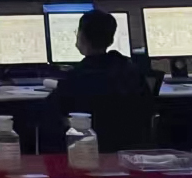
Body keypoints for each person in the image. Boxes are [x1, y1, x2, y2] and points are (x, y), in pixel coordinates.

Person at [40, 10, 153, 151]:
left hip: (88, 150)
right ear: (111, 40)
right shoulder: (130, 70)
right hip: (130, 149)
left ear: (81, 36)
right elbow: (148, 107)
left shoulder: (77, 77)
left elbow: (52, 114)